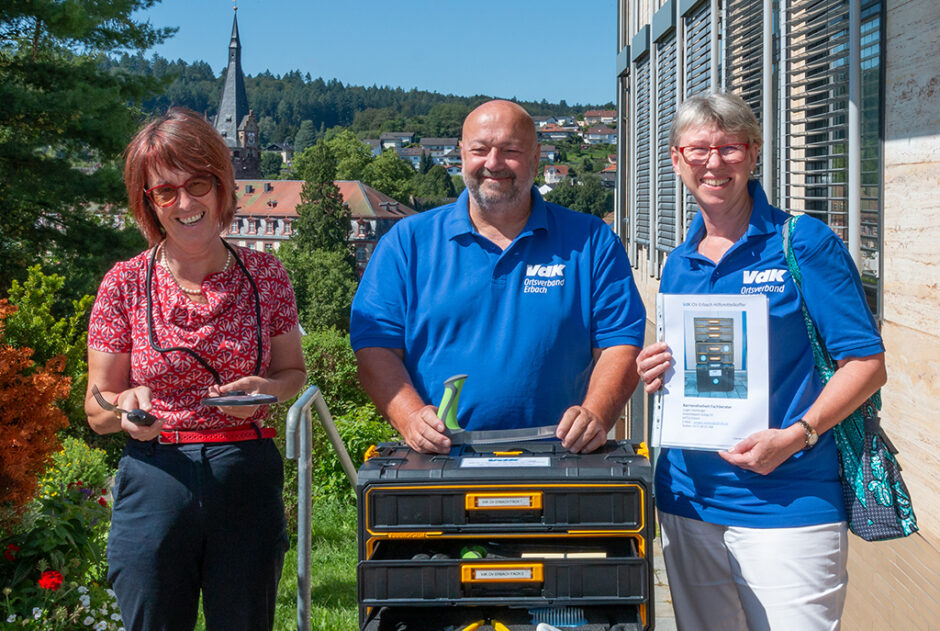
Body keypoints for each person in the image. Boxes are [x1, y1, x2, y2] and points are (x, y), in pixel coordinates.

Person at [636, 92, 886, 631]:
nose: (714, 162)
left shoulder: (804, 242)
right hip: (689, 499)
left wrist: (797, 435)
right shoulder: (679, 261)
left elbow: (866, 364)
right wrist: (656, 369)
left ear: (753, 155)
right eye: (699, 149)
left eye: (729, 147)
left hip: (789, 500)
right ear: (678, 160)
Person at [84, 107, 306, 631]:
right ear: (149, 202)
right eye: (165, 191)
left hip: (245, 470)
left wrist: (267, 391)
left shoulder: (267, 274)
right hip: (155, 473)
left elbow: (292, 373)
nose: (185, 202)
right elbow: (97, 406)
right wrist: (127, 407)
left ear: (222, 186)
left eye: (198, 183)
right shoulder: (123, 284)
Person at [350, 99, 646, 454]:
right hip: (442, 461)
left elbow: (620, 346)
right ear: (462, 155)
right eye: (480, 150)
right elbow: (375, 348)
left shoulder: (591, 241)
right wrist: (410, 416)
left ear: (536, 159)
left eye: (510, 150)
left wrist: (596, 413)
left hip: (561, 459)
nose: (493, 163)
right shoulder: (407, 243)